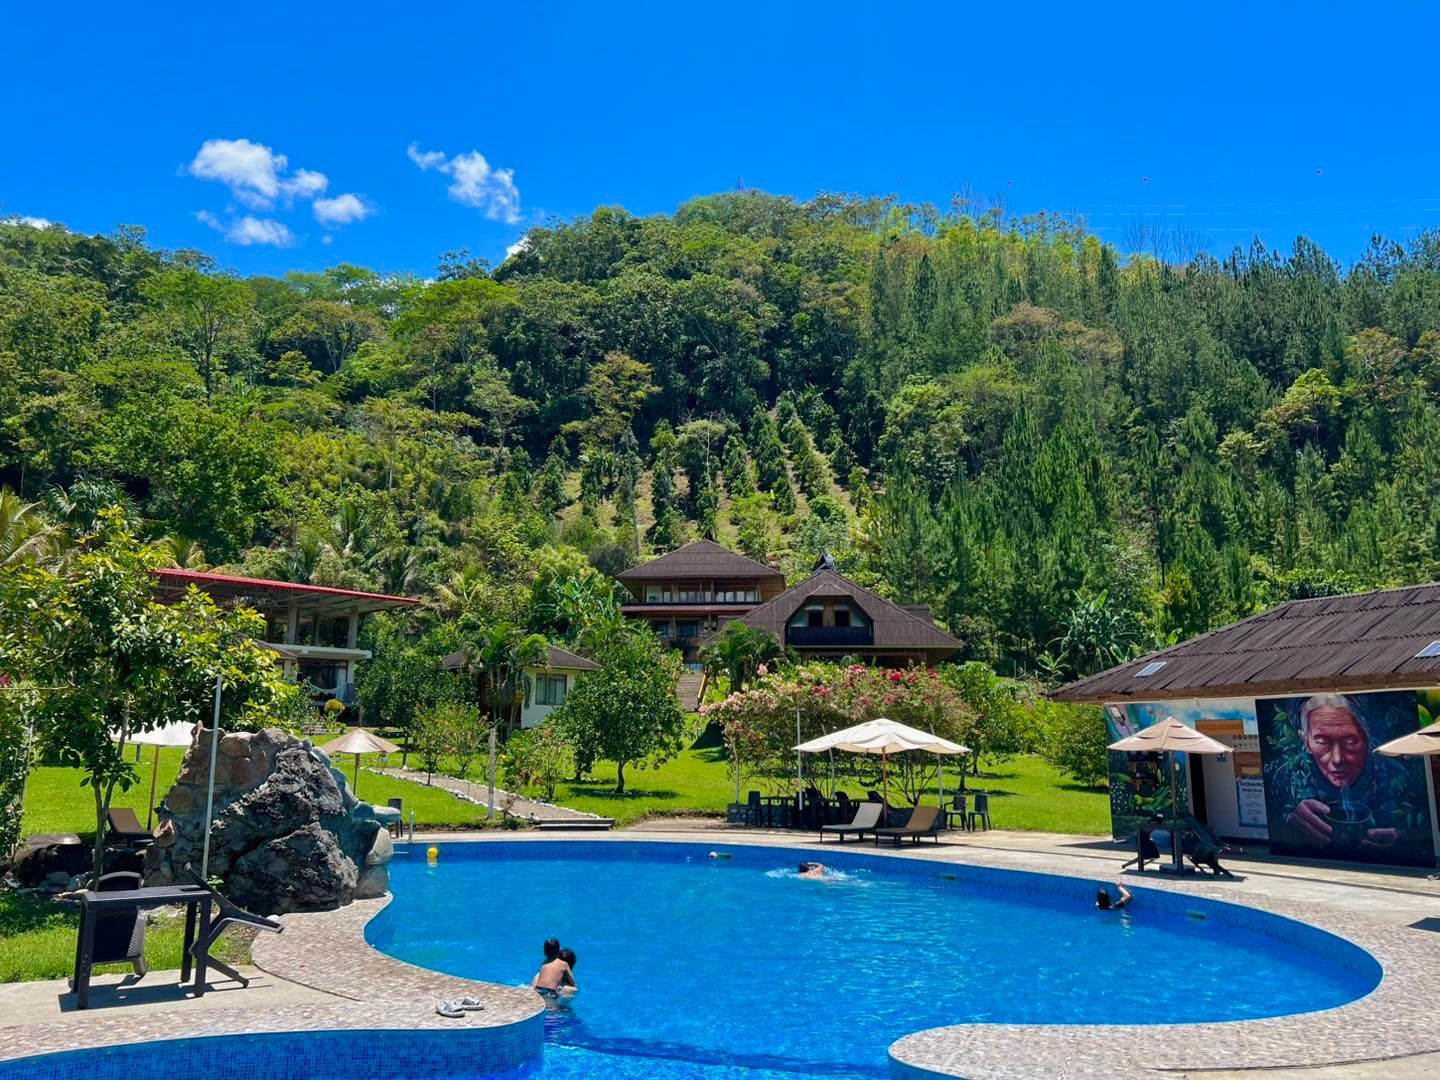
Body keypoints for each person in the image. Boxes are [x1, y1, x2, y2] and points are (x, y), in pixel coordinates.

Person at [1271, 694, 1412, 853]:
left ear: (1367, 737)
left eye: (1350, 740)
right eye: (1322, 741)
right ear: (1306, 741)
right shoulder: (1286, 778)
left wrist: (1404, 842)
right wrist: (1289, 825)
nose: (1337, 759)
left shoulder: (1398, 777)